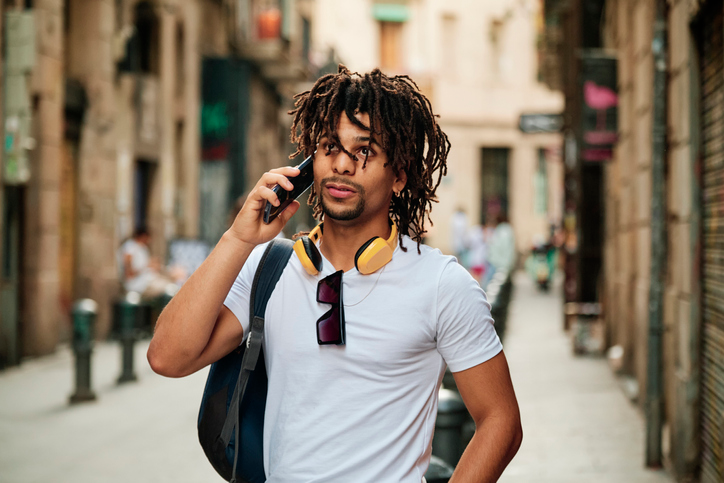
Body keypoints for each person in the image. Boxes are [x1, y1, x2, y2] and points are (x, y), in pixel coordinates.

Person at [148, 66, 522, 482]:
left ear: (399, 175)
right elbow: (167, 357)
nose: (342, 164)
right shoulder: (268, 268)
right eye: (330, 146)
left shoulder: (442, 285)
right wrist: (238, 239)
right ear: (310, 164)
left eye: (364, 150)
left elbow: (501, 421)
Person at [117, 226, 177, 299]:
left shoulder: (141, 247)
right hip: (139, 284)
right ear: (143, 236)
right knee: (171, 289)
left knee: (173, 285)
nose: (149, 240)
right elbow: (130, 273)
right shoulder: (130, 247)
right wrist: (148, 266)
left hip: (147, 280)